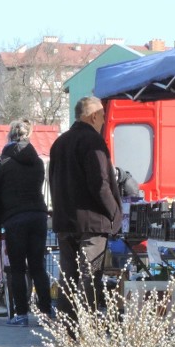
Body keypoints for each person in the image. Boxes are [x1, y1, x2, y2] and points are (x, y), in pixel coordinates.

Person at [49, 96, 122, 325]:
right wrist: (114, 213)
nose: (103, 120)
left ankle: (68, 328)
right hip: (92, 222)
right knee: (90, 277)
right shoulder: (93, 142)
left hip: (65, 221)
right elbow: (100, 183)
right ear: (93, 116)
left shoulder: (59, 143)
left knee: (68, 278)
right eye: (102, 115)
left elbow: (53, 181)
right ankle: (88, 331)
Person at [0, 119, 52, 326]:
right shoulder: (37, 162)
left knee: (17, 268)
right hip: (38, 216)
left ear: (9, 137)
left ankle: (21, 315)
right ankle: (46, 313)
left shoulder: (3, 162)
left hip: (15, 219)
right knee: (38, 267)